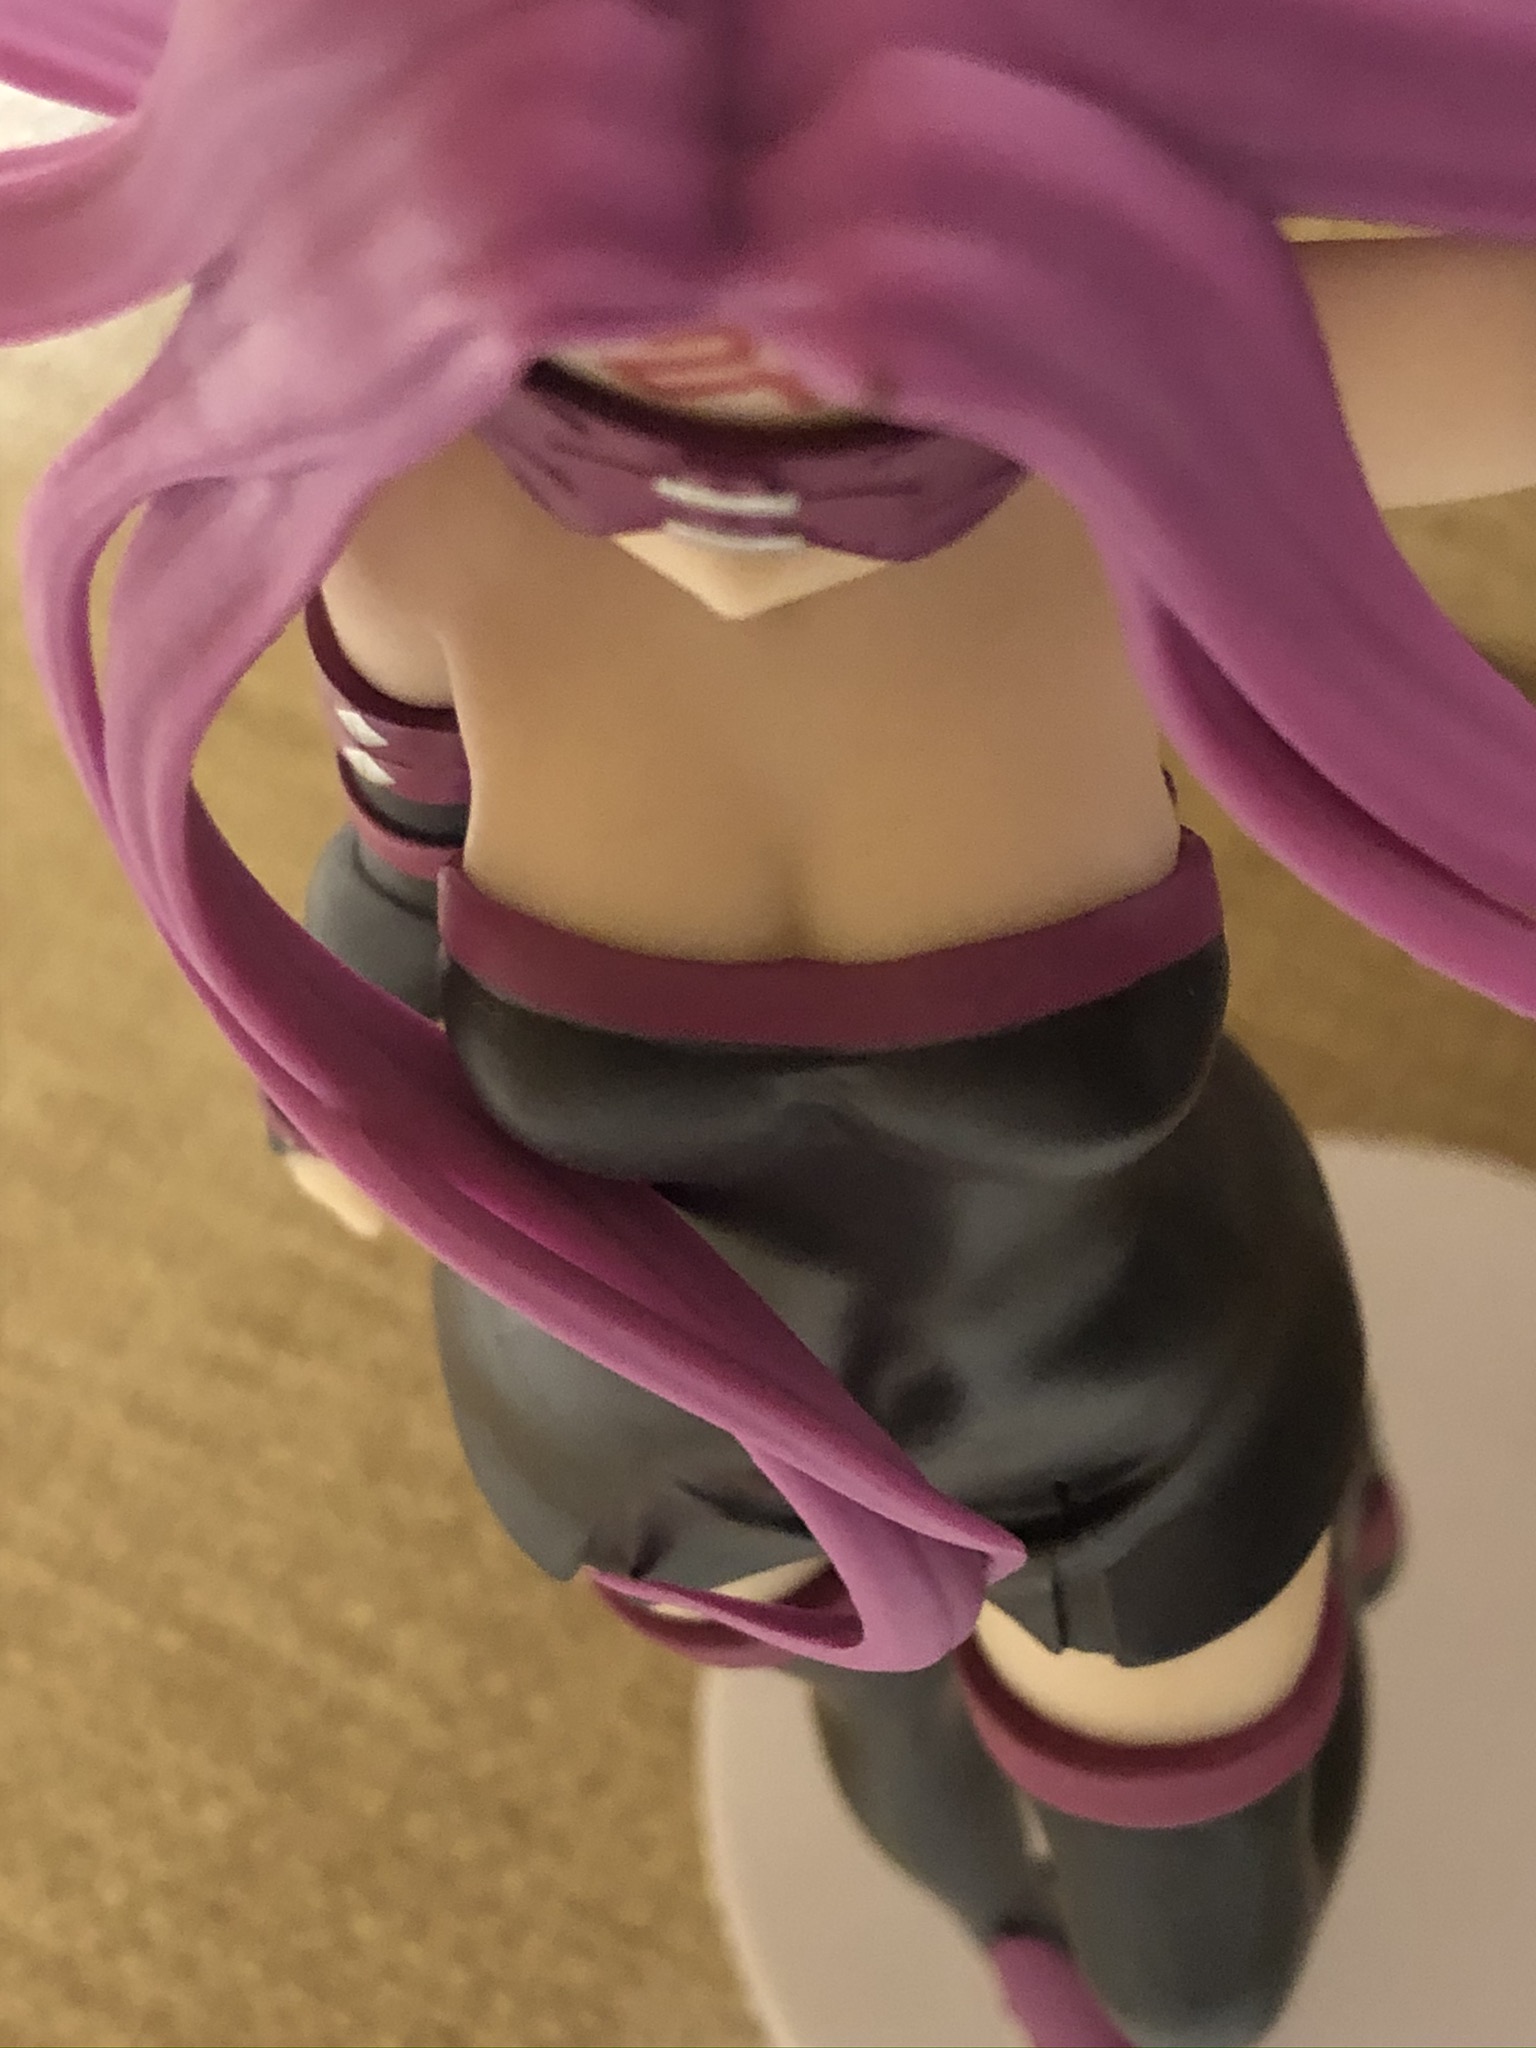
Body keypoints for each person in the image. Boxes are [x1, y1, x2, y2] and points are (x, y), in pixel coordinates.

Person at [1, 4, 1533, 2039]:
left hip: (1131, 1403)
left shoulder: (1145, 422)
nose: (723, 332)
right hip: (671, 1398)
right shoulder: (414, 490)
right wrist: (330, 1092)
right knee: (931, 1814)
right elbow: (395, 858)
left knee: (1200, 1981)